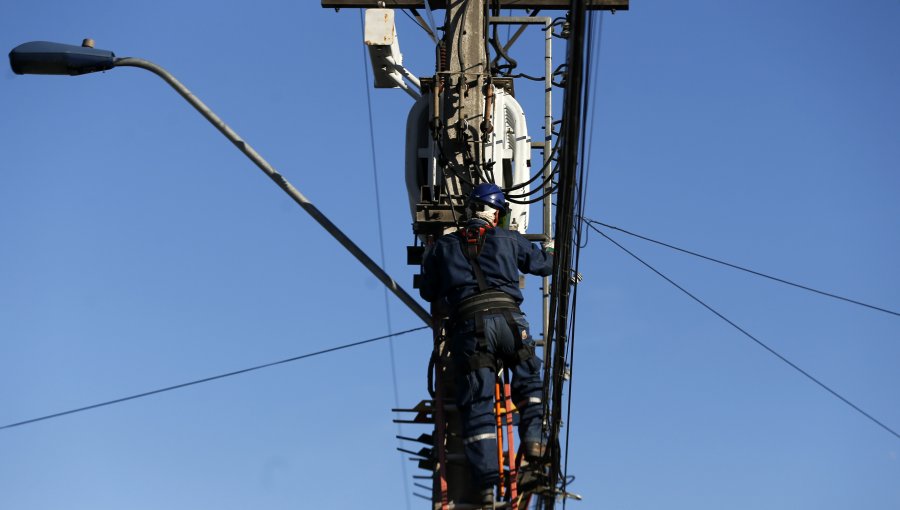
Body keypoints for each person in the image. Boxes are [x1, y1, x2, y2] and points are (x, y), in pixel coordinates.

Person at [419, 183, 554, 505]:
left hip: (469, 328)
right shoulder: (509, 238)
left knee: (478, 404)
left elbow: (428, 291)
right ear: (496, 213)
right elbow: (544, 265)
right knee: (528, 383)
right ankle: (534, 443)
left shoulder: (442, 247)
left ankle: (486, 486)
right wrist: (549, 250)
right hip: (509, 321)